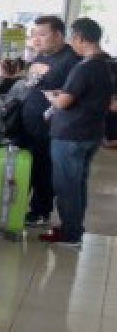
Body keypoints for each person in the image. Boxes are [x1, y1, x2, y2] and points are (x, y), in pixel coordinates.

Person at [39, 17, 114, 247]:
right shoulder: (110, 64)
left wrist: (51, 96)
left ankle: (71, 235)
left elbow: (63, 102)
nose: (73, 44)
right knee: (78, 184)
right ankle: (73, 228)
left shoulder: (84, 67)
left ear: (80, 38)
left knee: (67, 185)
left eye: (73, 39)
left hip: (71, 134)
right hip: (92, 132)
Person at [20, 15, 81, 227]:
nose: (36, 39)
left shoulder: (71, 60)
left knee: (44, 169)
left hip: (52, 126)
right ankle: (19, 206)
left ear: (57, 35)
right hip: (29, 122)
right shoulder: (40, 57)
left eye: (42, 34)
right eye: (34, 35)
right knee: (28, 166)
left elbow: (73, 94)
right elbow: (31, 83)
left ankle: (40, 210)